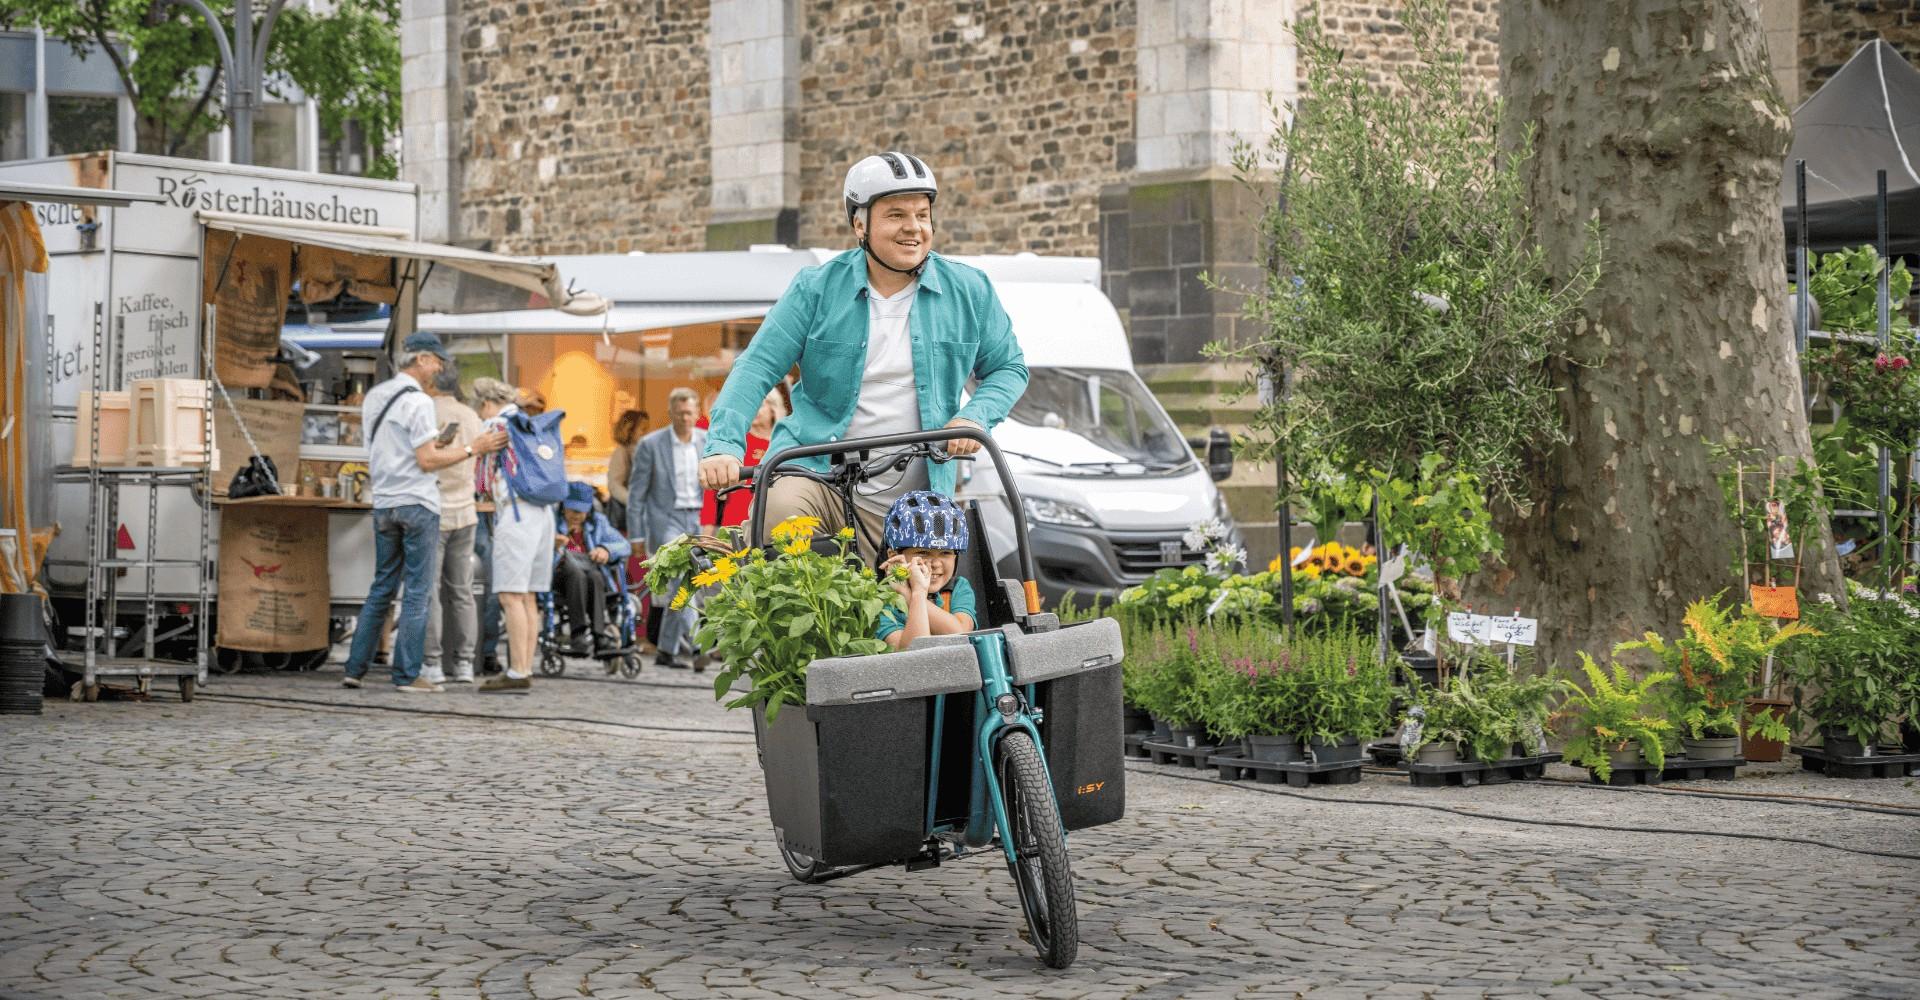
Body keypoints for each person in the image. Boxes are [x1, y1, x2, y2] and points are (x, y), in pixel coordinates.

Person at [697, 152, 1029, 563]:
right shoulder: (816, 288)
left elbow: (1009, 368)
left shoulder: (970, 289)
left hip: (915, 502)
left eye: (922, 215)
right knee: (781, 518)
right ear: (860, 223)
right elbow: (757, 366)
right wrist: (723, 445)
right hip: (816, 472)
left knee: (921, 611)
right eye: (895, 215)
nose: (914, 227)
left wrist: (973, 417)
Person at [342, 333, 507, 692]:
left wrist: (437, 446)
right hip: (417, 502)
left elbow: (386, 448)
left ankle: (354, 669)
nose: (440, 368)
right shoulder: (418, 402)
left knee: (382, 586)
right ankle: (407, 675)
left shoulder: (376, 397)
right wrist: (471, 448)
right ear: (420, 360)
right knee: (418, 591)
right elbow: (427, 460)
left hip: (384, 500)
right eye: (436, 361)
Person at [471, 376, 555, 693]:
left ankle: (518, 672)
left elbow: (481, 482)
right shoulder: (526, 421)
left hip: (517, 513)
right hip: (543, 511)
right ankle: (524, 666)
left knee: (510, 595)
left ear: (484, 403)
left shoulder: (496, 425)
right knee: (529, 595)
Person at [628, 387, 706, 669]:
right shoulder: (651, 444)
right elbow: (637, 494)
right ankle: (699, 647)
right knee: (683, 580)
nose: (686, 418)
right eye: (681, 412)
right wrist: (637, 534)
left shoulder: (706, 442)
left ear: (698, 414)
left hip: (697, 518)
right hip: (667, 519)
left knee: (687, 585)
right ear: (671, 413)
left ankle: (666, 650)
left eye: (690, 413)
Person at [423, 368, 488, 685]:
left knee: (430, 591)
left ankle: (432, 662)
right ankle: (464, 662)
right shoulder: (472, 416)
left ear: (432, 384)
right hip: (467, 510)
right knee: (463, 592)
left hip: (435, 508)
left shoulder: (426, 411)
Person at [874, 491, 977, 650]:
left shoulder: (958, 588)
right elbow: (913, 658)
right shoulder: (882, 602)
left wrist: (912, 596)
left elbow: (959, 634)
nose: (936, 563)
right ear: (895, 556)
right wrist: (918, 595)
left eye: (945, 553)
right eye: (923, 552)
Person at [552, 481, 633, 661]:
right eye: (572, 510)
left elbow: (624, 545)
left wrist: (606, 549)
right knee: (576, 572)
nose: (577, 515)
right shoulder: (553, 521)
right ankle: (578, 634)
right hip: (559, 576)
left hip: (589, 575)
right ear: (564, 507)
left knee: (596, 575)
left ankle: (599, 636)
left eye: (581, 511)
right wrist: (554, 544)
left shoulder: (598, 522)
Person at [700, 386, 787, 535]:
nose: (754, 409)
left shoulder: (786, 441)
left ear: (773, 407)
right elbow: (712, 491)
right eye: (750, 404)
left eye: (761, 404)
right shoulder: (736, 442)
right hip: (736, 522)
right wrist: (708, 529)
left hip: (779, 519)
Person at [606, 408, 649, 531]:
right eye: (643, 429)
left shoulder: (642, 450)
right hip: (627, 517)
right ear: (630, 430)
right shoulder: (622, 452)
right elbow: (614, 485)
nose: (646, 433)